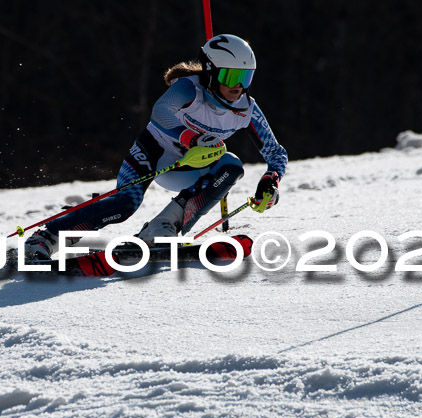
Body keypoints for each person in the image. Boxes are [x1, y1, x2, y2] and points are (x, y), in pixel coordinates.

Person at [25, 33, 288, 260]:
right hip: (155, 152)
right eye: (231, 77)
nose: (239, 86)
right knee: (123, 204)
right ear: (210, 72)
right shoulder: (189, 89)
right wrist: (190, 138)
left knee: (230, 166)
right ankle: (47, 237)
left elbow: (276, 153)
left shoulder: (246, 110)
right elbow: (160, 112)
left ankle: (162, 228)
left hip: (189, 169)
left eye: (246, 77)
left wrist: (271, 181)